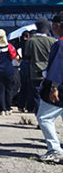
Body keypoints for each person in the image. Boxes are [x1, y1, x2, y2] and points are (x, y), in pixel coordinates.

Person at [36, 13, 63, 162]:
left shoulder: (60, 43)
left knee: (44, 117)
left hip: (59, 87)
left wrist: (53, 87)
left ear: (57, 25)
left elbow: (58, 66)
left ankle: (55, 150)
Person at [23, 17, 56, 114]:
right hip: (50, 72)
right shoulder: (52, 41)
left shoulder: (31, 41)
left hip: (35, 72)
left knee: (37, 96)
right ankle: (48, 117)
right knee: (49, 95)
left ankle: (39, 116)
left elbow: (27, 56)